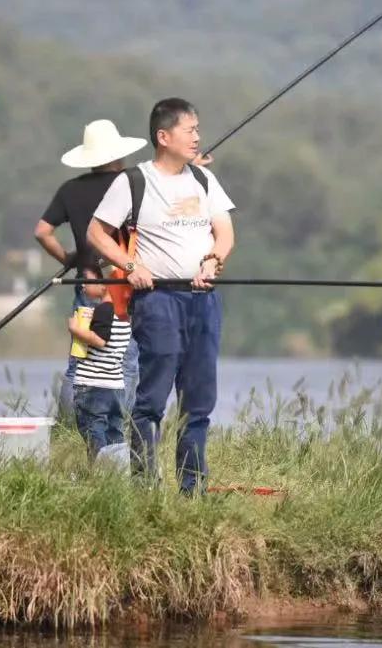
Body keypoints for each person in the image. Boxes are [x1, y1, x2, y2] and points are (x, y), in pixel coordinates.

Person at [87, 97, 236, 494]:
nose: (197, 138)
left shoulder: (205, 181)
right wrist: (132, 267)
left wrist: (213, 260)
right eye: (190, 130)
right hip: (157, 302)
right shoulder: (133, 182)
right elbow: (96, 233)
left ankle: (193, 490)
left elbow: (224, 232)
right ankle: (145, 488)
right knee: (152, 399)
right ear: (163, 136)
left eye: (197, 130)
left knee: (199, 402)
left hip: (203, 301)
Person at [35, 119, 147, 421]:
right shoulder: (132, 185)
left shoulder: (70, 189)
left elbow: (42, 232)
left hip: (87, 284)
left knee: (80, 358)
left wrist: (69, 259)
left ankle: (72, 424)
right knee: (124, 359)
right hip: (121, 287)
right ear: (117, 154)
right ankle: (121, 426)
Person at [66, 267, 132, 460]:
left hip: (93, 386)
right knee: (115, 437)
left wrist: (75, 329)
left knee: (94, 435)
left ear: (105, 284)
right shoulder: (124, 313)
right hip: (116, 387)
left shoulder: (104, 309)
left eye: (87, 281)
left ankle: (100, 476)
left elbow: (100, 340)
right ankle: (118, 474)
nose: (83, 286)